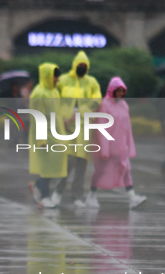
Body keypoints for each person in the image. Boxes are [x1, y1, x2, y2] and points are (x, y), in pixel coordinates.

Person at [86, 77, 147, 210]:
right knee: (100, 171)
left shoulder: (124, 105)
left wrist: (129, 146)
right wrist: (104, 149)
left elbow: (128, 128)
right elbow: (101, 127)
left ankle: (132, 197)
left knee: (126, 170)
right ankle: (91, 195)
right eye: (117, 91)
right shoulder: (105, 105)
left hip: (121, 147)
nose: (120, 94)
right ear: (111, 90)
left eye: (122, 91)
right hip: (109, 147)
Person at [53, 50, 102, 207]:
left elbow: (96, 100)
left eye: (84, 65)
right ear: (74, 65)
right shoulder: (63, 80)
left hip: (85, 127)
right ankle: (57, 192)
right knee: (68, 162)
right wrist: (61, 117)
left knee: (82, 163)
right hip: (66, 127)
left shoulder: (92, 82)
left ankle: (77, 196)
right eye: (79, 65)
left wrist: (80, 112)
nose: (82, 67)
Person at [28, 63, 68, 208]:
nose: (57, 79)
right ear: (47, 76)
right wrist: (41, 140)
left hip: (56, 136)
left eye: (57, 76)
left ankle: (37, 185)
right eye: (54, 76)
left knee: (56, 167)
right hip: (45, 137)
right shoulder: (39, 94)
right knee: (46, 167)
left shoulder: (54, 92)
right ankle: (44, 197)